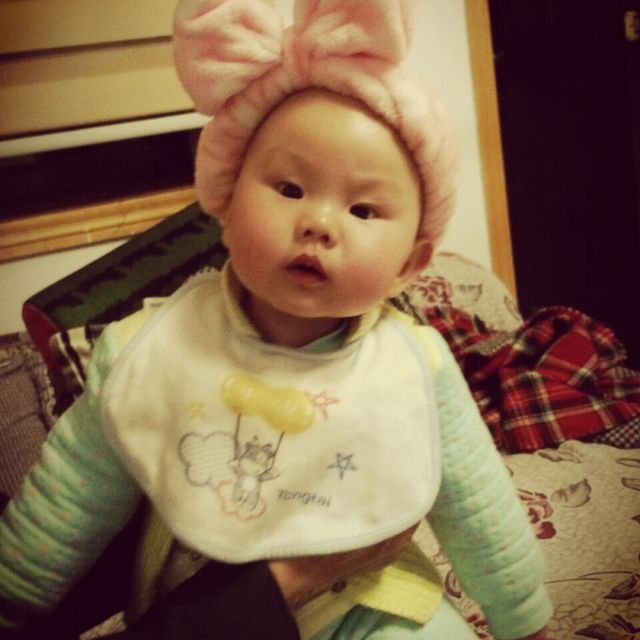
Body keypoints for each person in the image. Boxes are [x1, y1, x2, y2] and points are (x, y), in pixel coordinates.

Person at [0, 1, 554, 638]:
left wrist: (524, 619)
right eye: (290, 189)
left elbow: (481, 511)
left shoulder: (416, 366)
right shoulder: (145, 350)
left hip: (370, 601)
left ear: (410, 264)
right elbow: (65, 504)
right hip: (201, 604)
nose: (318, 222)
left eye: (364, 209)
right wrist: (11, 602)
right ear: (224, 206)